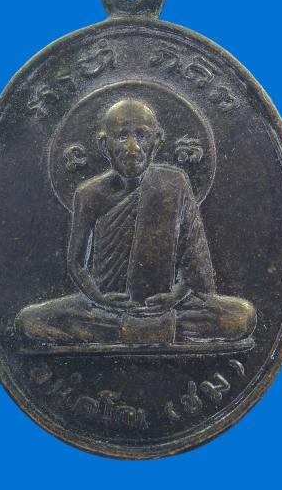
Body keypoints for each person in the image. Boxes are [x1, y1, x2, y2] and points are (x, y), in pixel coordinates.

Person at [16, 99, 256, 345]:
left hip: (165, 306)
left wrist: (175, 296)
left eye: (142, 136)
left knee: (242, 316)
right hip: (108, 308)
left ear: (156, 141)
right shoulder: (89, 194)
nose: (132, 147)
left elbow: (193, 264)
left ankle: (124, 332)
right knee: (30, 320)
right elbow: (77, 264)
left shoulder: (174, 183)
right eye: (122, 136)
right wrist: (99, 298)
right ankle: (155, 330)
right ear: (104, 144)